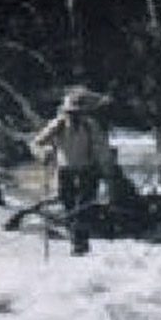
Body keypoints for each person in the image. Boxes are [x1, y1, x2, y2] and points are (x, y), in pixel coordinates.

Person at [32, 88, 112, 256]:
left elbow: (101, 148)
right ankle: (76, 241)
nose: (73, 116)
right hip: (65, 171)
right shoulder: (58, 124)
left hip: (88, 171)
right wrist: (44, 152)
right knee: (69, 207)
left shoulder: (90, 126)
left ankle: (80, 243)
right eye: (70, 112)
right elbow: (37, 143)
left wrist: (105, 167)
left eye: (77, 112)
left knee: (83, 208)